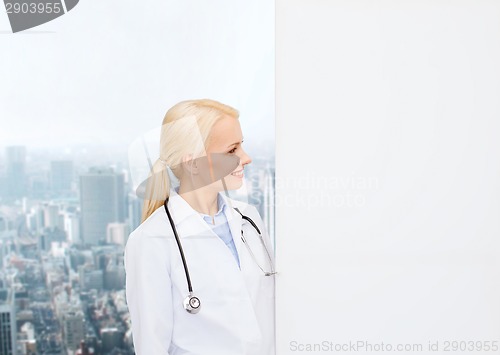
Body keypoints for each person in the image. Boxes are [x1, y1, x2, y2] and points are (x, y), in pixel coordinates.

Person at [124, 99, 276, 355]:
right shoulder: (152, 240)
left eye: (243, 146)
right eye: (232, 150)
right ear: (193, 162)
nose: (246, 158)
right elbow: (152, 346)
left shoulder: (249, 219)